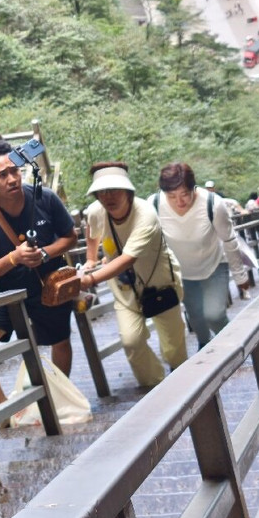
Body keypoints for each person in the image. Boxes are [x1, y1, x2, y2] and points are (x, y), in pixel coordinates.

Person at [0, 140, 78, 406]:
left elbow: (70, 236)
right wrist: (14, 258)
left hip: (49, 285)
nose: (12, 178)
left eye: (15, 170)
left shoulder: (44, 198)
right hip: (7, 292)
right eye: (2, 175)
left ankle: (59, 401)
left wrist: (46, 253)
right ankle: (2, 406)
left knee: (60, 341)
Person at [80, 162, 187, 388]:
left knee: (174, 347)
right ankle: (154, 384)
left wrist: (89, 280)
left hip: (160, 284)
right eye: (102, 191)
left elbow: (128, 259)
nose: (108, 196)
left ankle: (181, 380)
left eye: (114, 190)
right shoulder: (96, 212)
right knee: (131, 340)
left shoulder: (145, 214)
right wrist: (91, 258)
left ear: (128, 191)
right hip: (125, 290)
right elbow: (91, 230)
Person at [151, 162, 250, 349]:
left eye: (184, 195)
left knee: (214, 314)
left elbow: (229, 240)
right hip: (182, 272)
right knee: (195, 316)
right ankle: (205, 347)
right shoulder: (154, 205)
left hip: (214, 265)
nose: (179, 202)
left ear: (193, 188)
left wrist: (240, 275)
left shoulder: (213, 204)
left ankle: (233, 347)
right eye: (171, 196)